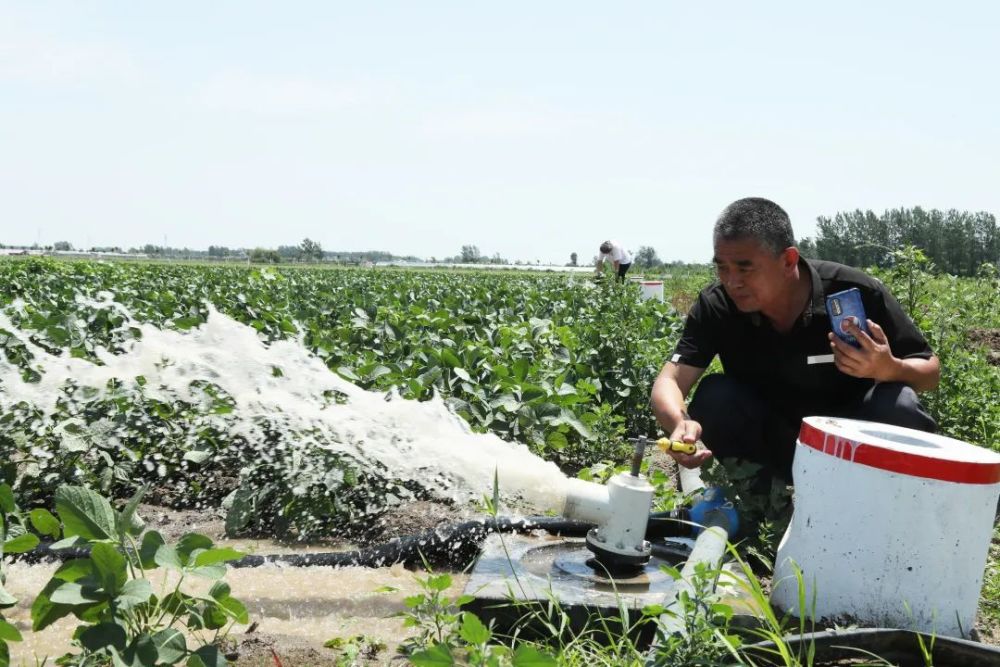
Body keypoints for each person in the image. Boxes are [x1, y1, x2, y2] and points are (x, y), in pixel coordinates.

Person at [649, 197, 939, 483]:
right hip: (771, 446)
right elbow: (670, 381)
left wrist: (889, 368)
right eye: (722, 267)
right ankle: (759, 506)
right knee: (716, 396)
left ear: (788, 260)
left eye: (745, 268)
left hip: (852, 445)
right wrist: (680, 422)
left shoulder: (854, 292)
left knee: (898, 403)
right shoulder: (718, 306)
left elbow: (930, 371)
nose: (732, 281)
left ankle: (889, 504)